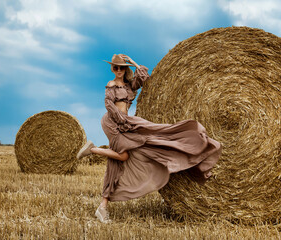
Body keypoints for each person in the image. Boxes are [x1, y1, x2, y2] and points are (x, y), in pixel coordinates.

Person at [77, 54, 222, 223]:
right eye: (115, 67)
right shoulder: (111, 85)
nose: (118, 71)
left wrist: (132, 62)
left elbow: (145, 77)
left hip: (126, 122)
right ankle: (93, 151)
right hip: (113, 123)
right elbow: (109, 105)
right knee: (123, 156)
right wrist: (122, 121)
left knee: (149, 138)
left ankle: (102, 206)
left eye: (121, 67)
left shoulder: (129, 86)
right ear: (111, 69)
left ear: (125, 69)